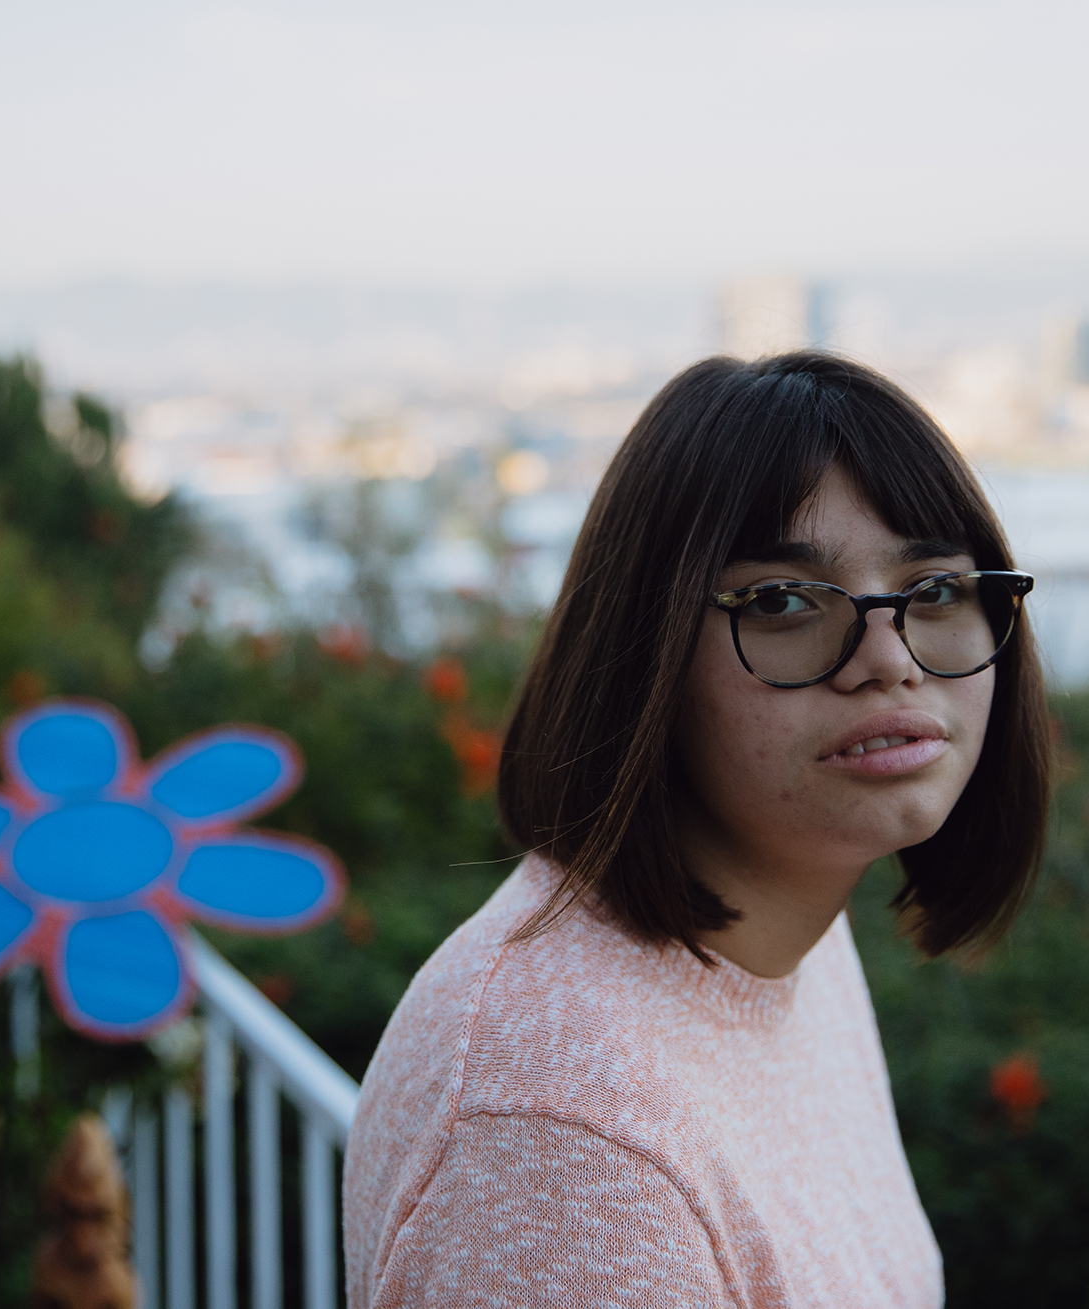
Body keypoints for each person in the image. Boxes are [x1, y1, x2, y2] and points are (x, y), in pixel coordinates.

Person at [343, 351, 1050, 1307]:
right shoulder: (563, 1137)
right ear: (650, 651)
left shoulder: (791, 937)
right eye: (782, 601)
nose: (888, 658)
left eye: (934, 591)